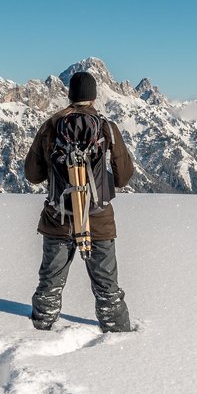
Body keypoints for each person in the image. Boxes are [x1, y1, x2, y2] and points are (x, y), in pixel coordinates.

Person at [23, 70, 135, 332]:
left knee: (49, 285)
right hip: (97, 220)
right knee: (108, 288)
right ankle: (121, 339)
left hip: (58, 219)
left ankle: (38, 331)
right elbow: (123, 178)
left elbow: (33, 175)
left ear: (70, 95)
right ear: (94, 97)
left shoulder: (51, 126)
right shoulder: (107, 127)